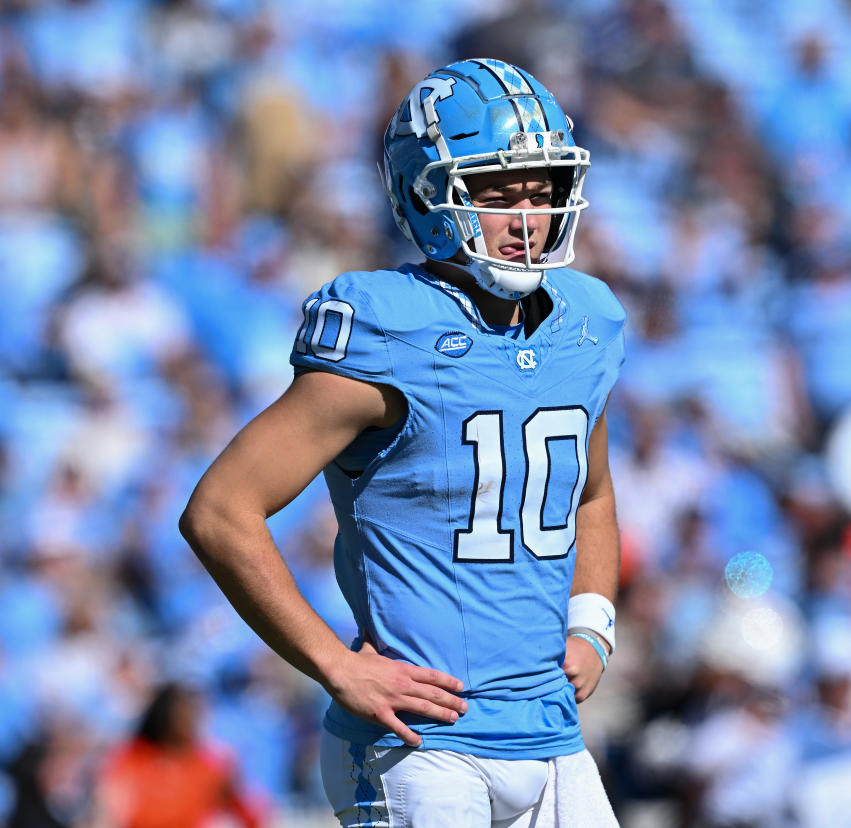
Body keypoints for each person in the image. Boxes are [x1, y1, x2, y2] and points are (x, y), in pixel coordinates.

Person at [180, 58, 624, 827]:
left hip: (552, 736)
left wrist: (593, 622)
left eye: (543, 187)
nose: (528, 215)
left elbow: (592, 490)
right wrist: (334, 665)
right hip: (421, 746)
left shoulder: (586, 320)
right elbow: (221, 509)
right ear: (430, 197)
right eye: (496, 192)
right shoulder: (389, 328)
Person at [92, 682, 265, 828]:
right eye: (183, 711)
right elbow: (110, 809)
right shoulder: (132, 756)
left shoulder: (212, 765)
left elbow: (249, 814)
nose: (191, 718)